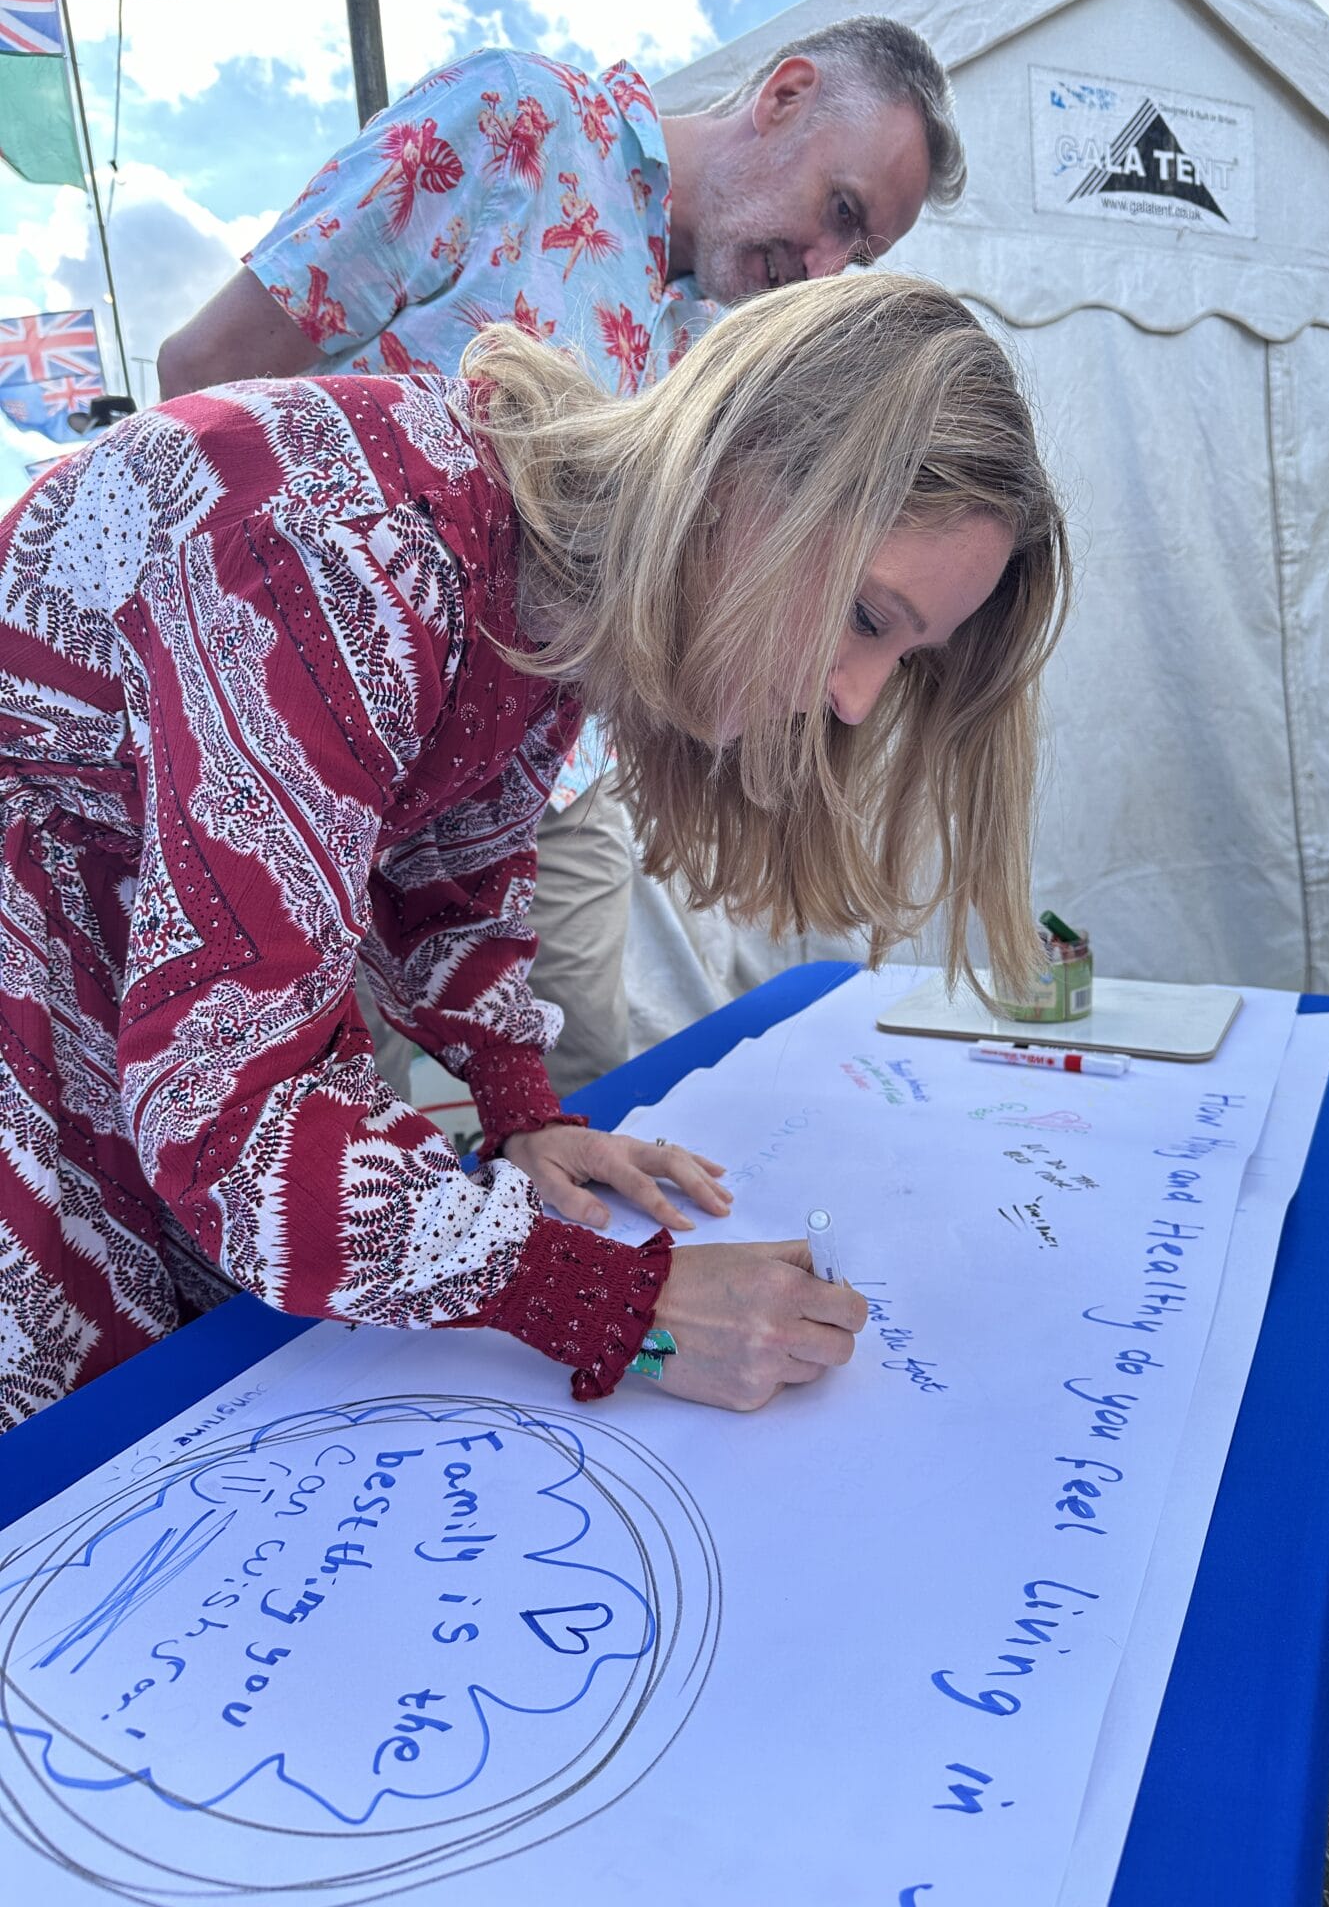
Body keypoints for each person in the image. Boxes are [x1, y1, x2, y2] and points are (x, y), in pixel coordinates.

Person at [0, 270, 1069, 1434]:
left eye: (905, 660)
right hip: (42, 979)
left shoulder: (538, 574)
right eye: (868, 617)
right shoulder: (347, 550)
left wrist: (519, 1109)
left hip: (128, 962)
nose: (860, 704)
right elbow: (227, 1114)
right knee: (89, 1446)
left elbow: (453, 861)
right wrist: (619, 1300)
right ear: (740, 469)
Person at [155, 17, 967, 1100]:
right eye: (840, 211)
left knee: (576, 1096)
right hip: (327, 758)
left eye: (857, 256)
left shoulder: (728, 349)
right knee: (301, 1116)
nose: (822, 267)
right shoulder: (513, 126)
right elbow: (205, 379)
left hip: (549, 787)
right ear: (783, 94)